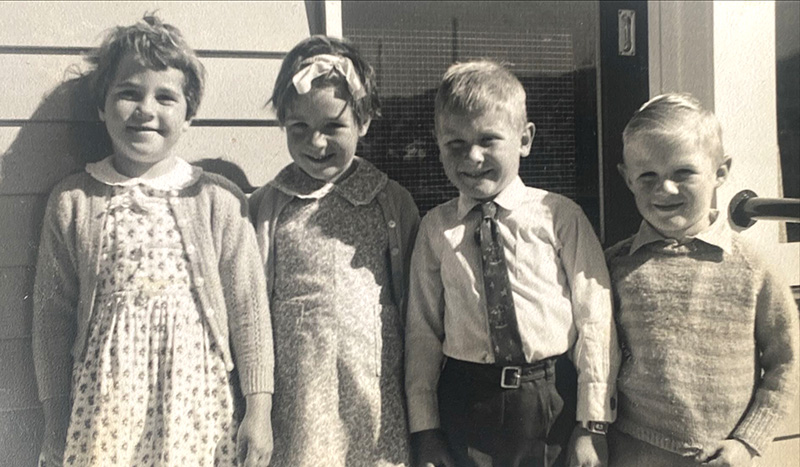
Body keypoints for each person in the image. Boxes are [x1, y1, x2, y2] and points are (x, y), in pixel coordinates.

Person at [32, 15, 274, 467]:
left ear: (187, 115)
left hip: (196, 402)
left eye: (165, 97)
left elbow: (249, 309)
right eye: (129, 93)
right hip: (106, 403)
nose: (146, 109)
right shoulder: (73, 200)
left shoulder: (217, 198)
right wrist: (54, 418)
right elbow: (51, 321)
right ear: (102, 107)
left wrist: (258, 410)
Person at [405, 59, 620, 467]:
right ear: (438, 143)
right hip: (467, 401)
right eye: (455, 144)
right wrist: (426, 431)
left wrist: (592, 424)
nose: (473, 157)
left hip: (550, 401)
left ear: (524, 139)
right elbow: (422, 334)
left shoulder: (559, 216)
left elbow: (595, 317)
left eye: (489, 140)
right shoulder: (436, 229)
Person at [249, 35, 420, 466]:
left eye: (332, 127)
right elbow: (251, 309)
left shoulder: (391, 201)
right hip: (299, 392)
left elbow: (416, 307)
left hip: (373, 388)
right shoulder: (269, 206)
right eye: (299, 129)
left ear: (363, 121)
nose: (316, 143)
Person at [605, 93, 800, 467]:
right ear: (626, 178)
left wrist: (747, 442)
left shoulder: (753, 269)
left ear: (721, 172)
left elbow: (785, 363)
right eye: (648, 176)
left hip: (723, 456)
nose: (666, 189)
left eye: (683, 173)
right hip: (632, 451)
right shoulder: (615, 266)